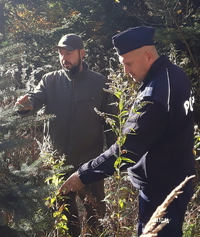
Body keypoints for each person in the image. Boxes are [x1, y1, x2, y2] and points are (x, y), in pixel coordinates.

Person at [59, 26, 195, 237]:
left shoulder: (154, 96)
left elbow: (126, 150)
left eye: (129, 64)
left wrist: (83, 175)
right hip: (178, 177)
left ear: (148, 56)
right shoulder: (176, 75)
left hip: (161, 189)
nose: (126, 71)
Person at [15, 34, 117, 236]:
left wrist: (115, 159)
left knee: (96, 220)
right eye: (61, 54)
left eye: (68, 53)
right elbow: (35, 99)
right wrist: (25, 106)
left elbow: (111, 123)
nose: (64, 58)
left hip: (91, 164)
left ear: (82, 53)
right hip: (59, 163)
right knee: (67, 223)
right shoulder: (50, 80)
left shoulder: (99, 82)